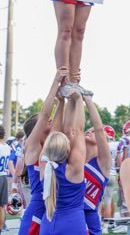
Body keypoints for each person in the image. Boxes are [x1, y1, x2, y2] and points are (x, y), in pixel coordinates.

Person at [18, 67, 67, 235]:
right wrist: (56, 81)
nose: (50, 119)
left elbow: (58, 123)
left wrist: (62, 101)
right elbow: (46, 113)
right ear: (36, 129)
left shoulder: (50, 144)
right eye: (44, 121)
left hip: (55, 209)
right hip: (38, 210)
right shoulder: (32, 147)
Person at [39, 89, 86, 234]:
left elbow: (53, 134)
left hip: (48, 223)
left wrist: (60, 103)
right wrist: (77, 100)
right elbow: (77, 130)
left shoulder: (44, 164)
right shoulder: (73, 169)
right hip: (73, 225)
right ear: (67, 150)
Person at [82, 94, 112, 235]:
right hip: (70, 214)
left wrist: (88, 100)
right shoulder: (76, 159)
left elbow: (99, 129)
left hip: (90, 215)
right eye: (88, 130)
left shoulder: (103, 163)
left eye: (93, 131)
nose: (89, 131)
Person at [0, 125, 13, 235]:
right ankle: (1, 227)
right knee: (2, 206)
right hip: (3, 177)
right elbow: (8, 163)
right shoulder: (7, 148)